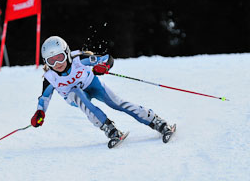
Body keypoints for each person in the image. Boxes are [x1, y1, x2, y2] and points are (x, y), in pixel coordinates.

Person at [30, 36, 175, 147]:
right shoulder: (50, 78)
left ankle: (156, 121)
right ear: (46, 62)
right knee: (76, 93)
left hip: (93, 85)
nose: (57, 64)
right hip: (76, 97)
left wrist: (104, 66)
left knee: (116, 103)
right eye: (51, 61)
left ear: (67, 53)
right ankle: (109, 128)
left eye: (60, 57)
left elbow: (107, 58)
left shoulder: (79, 59)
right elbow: (44, 98)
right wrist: (40, 112)